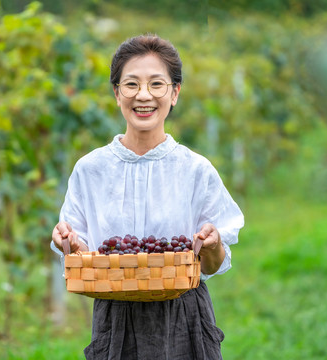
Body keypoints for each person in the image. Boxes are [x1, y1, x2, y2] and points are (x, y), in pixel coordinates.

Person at [51, 34, 244, 360]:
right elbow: (82, 256)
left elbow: (212, 261)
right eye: (131, 85)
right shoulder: (91, 170)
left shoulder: (195, 169)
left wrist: (212, 243)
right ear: (116, 93)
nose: (144, 95)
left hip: (183, 319)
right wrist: (68, 242)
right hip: (116, 319)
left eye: (157, 84)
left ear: (175, 94)